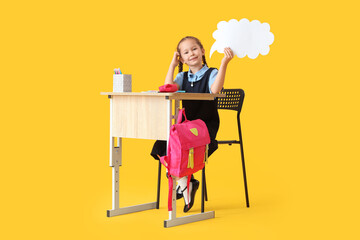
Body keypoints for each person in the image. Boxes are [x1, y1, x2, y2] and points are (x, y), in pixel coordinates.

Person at [151, 36, 234, 212]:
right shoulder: (182, 76)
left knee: (183, 147)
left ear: (203, 51)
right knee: (161, 146)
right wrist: (172, 66)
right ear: (181, 58)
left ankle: (185, 183)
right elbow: (167, 88)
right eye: (186, 52)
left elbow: (215, 90)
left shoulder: (212, 73)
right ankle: (187, 182)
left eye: (194, 49)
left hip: (204, 127)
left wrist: (224, 63)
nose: (191, 54)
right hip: (185, 126)